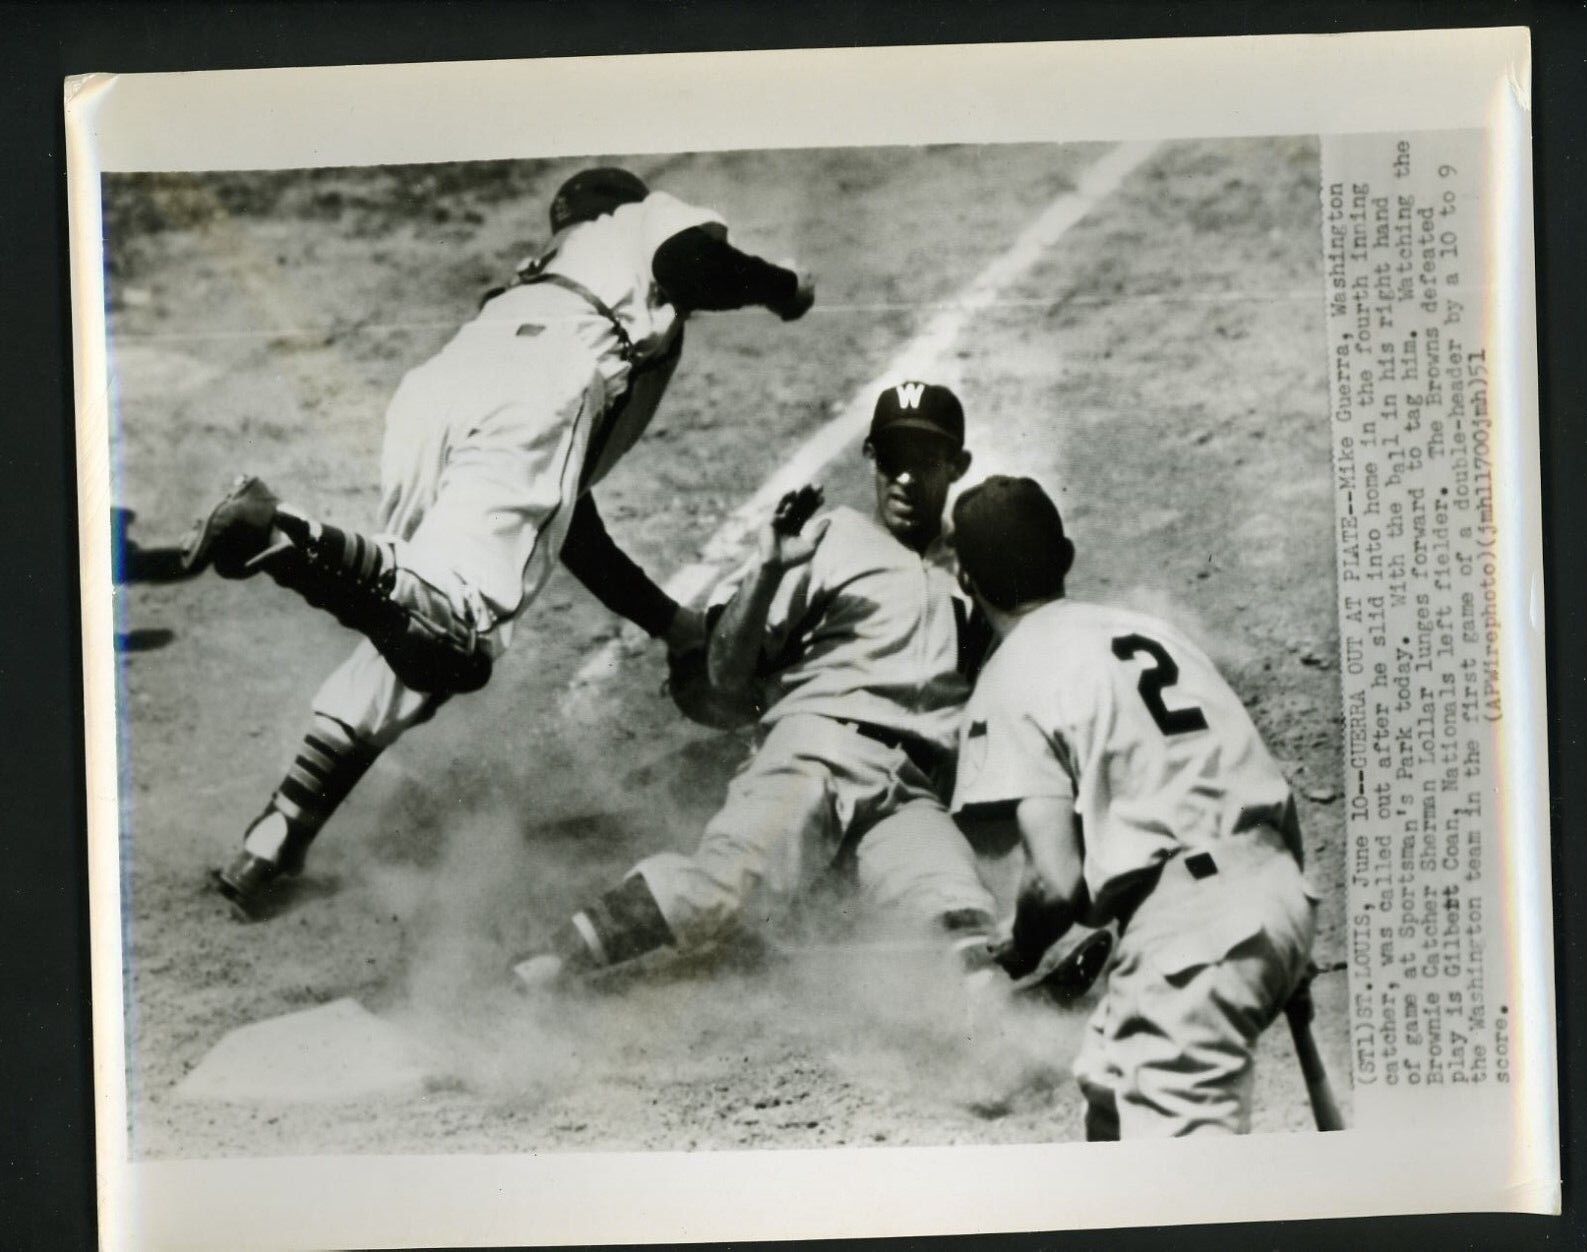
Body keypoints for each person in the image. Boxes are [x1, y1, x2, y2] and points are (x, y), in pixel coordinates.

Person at [183, 166, 815, 918]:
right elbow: (691, 264)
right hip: (545, 376)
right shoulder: (638, 225)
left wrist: (672, 626)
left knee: (416, 628)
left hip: (439, 390)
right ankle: (284, 532)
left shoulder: (537, 278)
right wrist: (784, 288)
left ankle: (275, 836)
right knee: (459, 632)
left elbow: (570, 527)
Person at [513, 383, 1109, 994]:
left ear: (956, 467)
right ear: (872, 460)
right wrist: (769, 571)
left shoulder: (977, 574)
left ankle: (1000, 1026)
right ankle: (535, 974)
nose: (904, 478)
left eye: (925, 462)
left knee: (957, 910)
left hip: (910, 794)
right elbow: (725, 675)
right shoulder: (829, 538)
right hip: (814, 754)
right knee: (715, 895)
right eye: (890, 458)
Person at [947, 475, 1318, 1138]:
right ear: (1064, 557)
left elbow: (1054, 882)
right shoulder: (1151, 633)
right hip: (1279, 895)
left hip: (1194, 936)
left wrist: (1019, 951)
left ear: (966, 580)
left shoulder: (1010, 675)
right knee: (1108, 1094)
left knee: (1182, 1204)